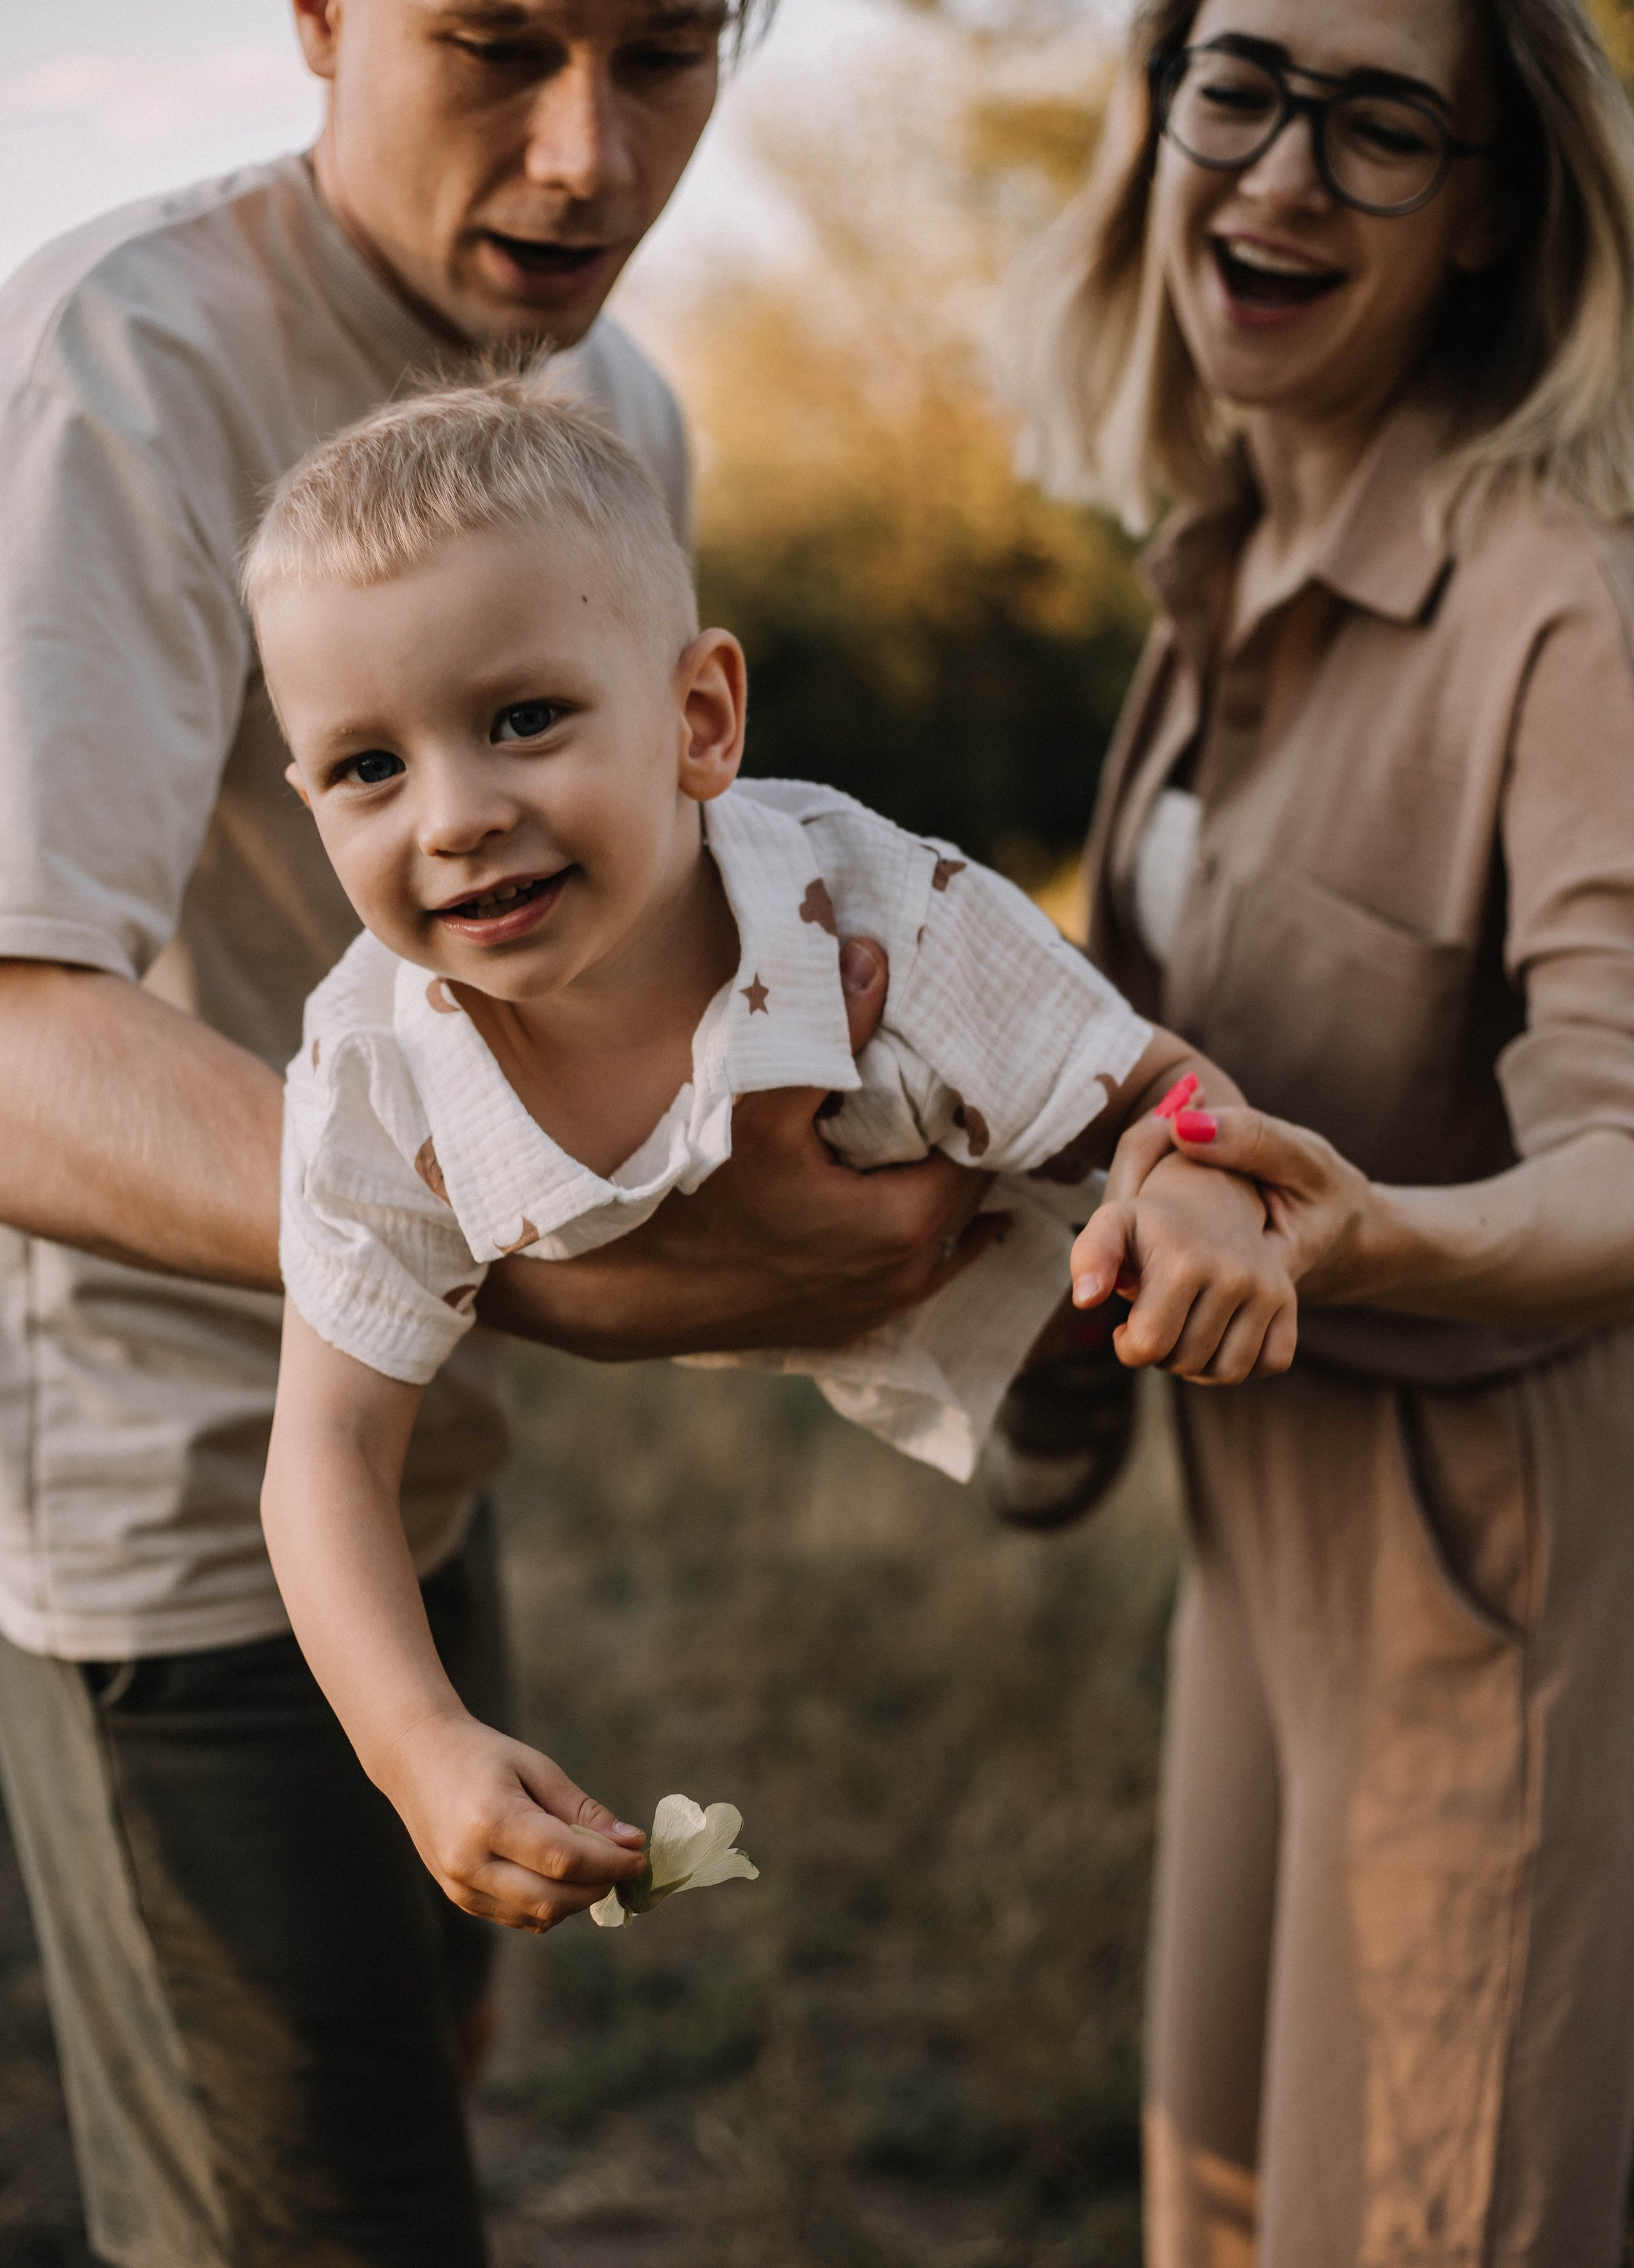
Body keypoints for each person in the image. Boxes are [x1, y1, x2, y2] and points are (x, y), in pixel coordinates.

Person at [0, 6, 1013, 2268]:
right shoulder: (120, 365)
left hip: (419, 1452)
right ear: (326, 21)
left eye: (667, 56)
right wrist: (572, 1274)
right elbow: (13, 1030)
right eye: (497, 43)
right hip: (167, 1479)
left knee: (438, 2078)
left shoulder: (612, 418)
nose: (590, 154)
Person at [244, 376, 1297, 1932]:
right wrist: (418, 1745)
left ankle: (1064, 1374)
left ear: (700, 720)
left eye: (523, 720)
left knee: (1102, 1270)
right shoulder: (373, 1075)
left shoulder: (889, 917)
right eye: (367, 769)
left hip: (983, 1199)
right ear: (308, 802)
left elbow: (1157, 1084)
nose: (454, 818)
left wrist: (1194, 1177)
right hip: (708, 1273)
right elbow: (324, 1452)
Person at [1018, 0, 1634, 2268]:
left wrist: (1379, 1242)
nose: (1280, 177)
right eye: (1243, 83)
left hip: (1473, 1567)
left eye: (1385, 125)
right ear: (1158, 103)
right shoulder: (1214, 558)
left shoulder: (1561, 600)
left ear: (1488, 200)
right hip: (1240, 1550)